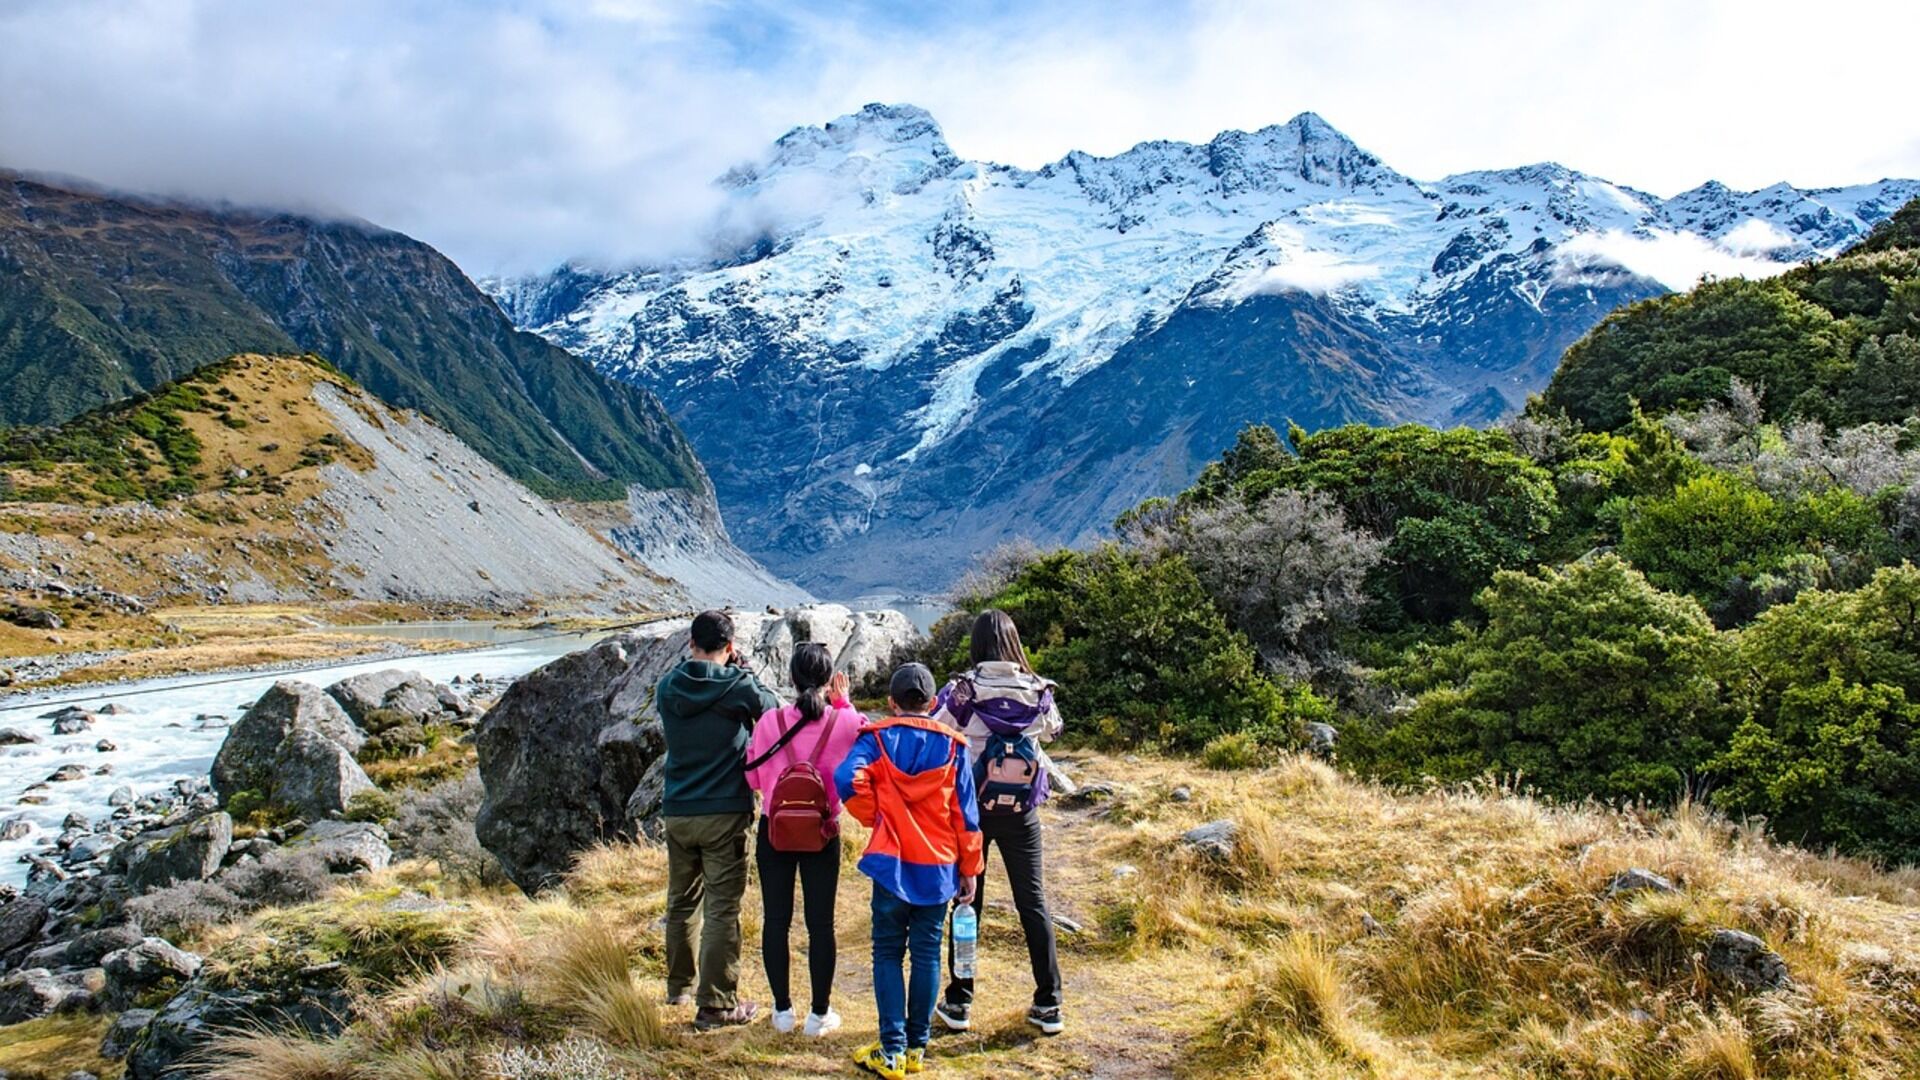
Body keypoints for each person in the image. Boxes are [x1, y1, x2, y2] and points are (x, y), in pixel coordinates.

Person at [836, 663, 984, 1080]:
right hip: (939, 868)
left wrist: (875, 816)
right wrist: (969, 867)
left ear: (890, 702)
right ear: (934, 704)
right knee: (926, 954)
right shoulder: (955, 747)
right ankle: (917, 1049)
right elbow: (967, 818)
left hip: (891, 864)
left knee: (886, 952)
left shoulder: (877, 739)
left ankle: (892, 1049)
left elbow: (846, 777)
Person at [932, 610, 1066, 1036]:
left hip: (972, 811)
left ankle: (960, 998)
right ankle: (1049, 1002)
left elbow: (937, 728)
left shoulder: (963, 690)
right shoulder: (1038, 689)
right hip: (1022, 811)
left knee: (967, 903)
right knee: (1033, 903)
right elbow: (1054, 730)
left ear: (976, 645)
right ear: (1013, 644)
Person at [656, 609, 781, 1030]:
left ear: (691, 643)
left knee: (681, 902)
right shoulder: (737, 685)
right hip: (724, 810)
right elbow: (772, 712)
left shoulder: (667, 687)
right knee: (722, 909)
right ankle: (717, 1005)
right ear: (729, 648)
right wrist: (744, 670)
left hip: (678, 810)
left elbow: (688, 675)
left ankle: (679, 988)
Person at [742, 642, 862, 1038]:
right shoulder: (845, 722)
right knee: (820, 925)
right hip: (822, 833)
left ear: (791, 679)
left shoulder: (769, 722)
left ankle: (781, 1012)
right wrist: (843, 705)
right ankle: (819, 1015)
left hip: (774, 831)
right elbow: (862, 752)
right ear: (829, 681)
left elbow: (755, 779)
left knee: (775, 921)